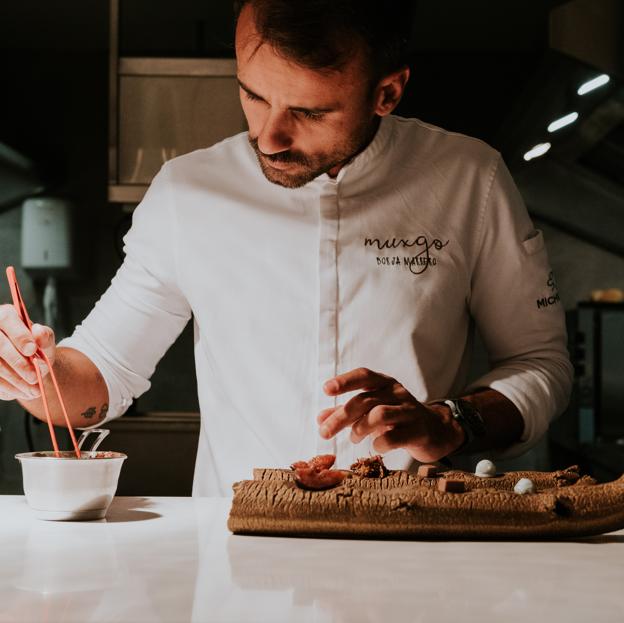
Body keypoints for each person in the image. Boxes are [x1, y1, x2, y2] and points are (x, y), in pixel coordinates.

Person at [0, 0, 572, 495]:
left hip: (413, 545)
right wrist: (34, 371)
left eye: (309, 111)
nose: (268, 137)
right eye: (253, 95)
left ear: (387, 91)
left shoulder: (469, 179)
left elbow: (539, 361)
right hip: (241, 564)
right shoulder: (188, 193)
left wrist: (452, 421)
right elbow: (102, 375)